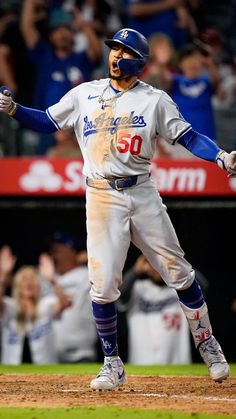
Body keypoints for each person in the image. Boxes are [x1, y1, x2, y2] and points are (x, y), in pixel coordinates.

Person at [0, 27, 235, 390]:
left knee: (180, 273)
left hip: (141, 192)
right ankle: (112, 363)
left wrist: (219, 156)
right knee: (103, 284)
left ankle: (209, 346)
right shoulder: (86, 93)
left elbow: (187, 136)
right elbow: (48, 121)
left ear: (138, 62)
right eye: (113, 48)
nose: (115, 55)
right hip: (101, 195)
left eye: (123, 51)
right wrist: (15, 109)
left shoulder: (154, 99)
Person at [119, 254, 191, 365]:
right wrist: (135, 271)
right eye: (153, 263)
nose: (157, 268)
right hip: (141, 360)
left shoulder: (181, 288)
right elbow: (119, 295)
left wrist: (178, 264)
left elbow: (202, 287)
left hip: (177, 360)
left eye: (161, 264)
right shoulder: (137, 288)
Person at [41, 231, 97, 363]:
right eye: (52, 251)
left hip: (81, 354)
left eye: (57, 250)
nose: (53, 255)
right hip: (50, 356)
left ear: (71, 251)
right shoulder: (46, 277)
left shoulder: (87, 275)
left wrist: (90, 257)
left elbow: (109, 267)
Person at [0, 262, 71, 365]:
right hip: (12, 366)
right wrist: (3, 276)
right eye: (24, 279)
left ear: (38, 285)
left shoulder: (45, 305)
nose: (28, 283)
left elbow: (65, 303)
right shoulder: (11, 306)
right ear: (17, 285)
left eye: (32, 279)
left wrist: (52, 280)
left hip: (45, 366)